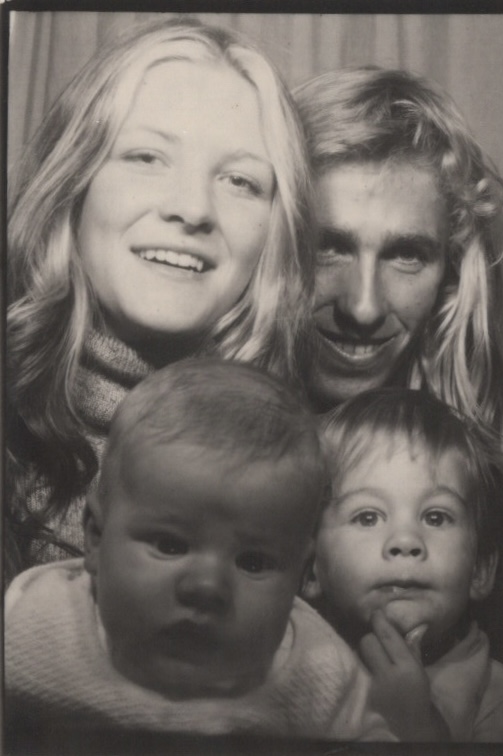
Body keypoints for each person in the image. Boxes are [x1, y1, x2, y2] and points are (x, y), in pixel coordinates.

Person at [294, 67, 503, 744]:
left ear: (448, 275)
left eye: (406, 255)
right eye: (329, 247)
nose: (363, 305)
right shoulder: (187, 466)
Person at [6, 17, 315, 581]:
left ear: (276, 233)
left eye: (240, 181)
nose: (193, 208)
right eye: (147, 158)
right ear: (71, 183)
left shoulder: (309, 472)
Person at [5, 358, 393, 745]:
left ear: (302, 574)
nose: (208, 587)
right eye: (170, 545)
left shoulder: (316, 672)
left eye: (253, 562)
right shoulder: (37, 624)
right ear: (95, 536)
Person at [304, 388, 503, 742]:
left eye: (435, 517)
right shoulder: (285, 683)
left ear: (480, 568)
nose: (406, 542)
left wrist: (416, 730)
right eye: (368, 517)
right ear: (311, 567)